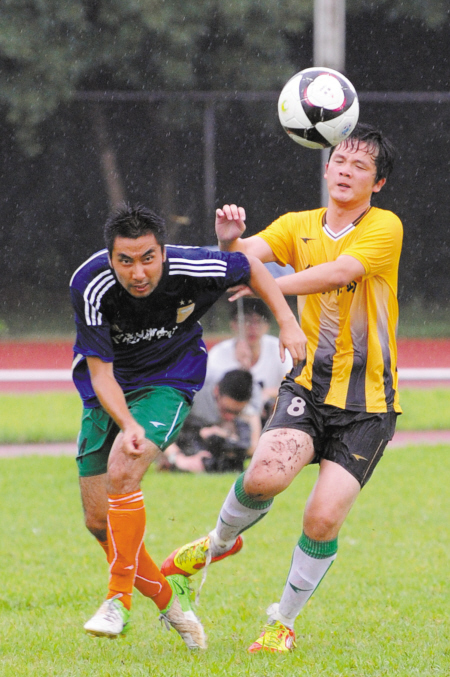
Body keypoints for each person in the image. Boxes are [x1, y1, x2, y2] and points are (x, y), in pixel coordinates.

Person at [161, 124, 403, 653]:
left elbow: (338, 272)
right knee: (264, 476)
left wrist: (264, 283)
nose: (346, 171)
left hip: (368, 405)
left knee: (322, 518)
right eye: (340, 161)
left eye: (361, 166)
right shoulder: (298, 224)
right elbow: (238, 259)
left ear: (378, 183)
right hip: (308, 387)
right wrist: (229, 240)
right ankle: (219, 543)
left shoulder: (385, 227)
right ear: (326, 167)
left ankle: (282, 623)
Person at [69, 202, 304, 648]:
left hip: (168, 380)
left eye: (148, 258)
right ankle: (171, 604)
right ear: (110, 258)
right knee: (99, 522)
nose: (138, 273)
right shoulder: (90, 283)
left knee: (123, 468)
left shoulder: (191, 266)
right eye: (125, 261)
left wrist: (288, 323)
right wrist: (125, 421)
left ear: (163, 252)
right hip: (109, 390)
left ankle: (117, 599)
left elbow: (251, 265)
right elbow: (100, 375)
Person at [206, 298, 294, 432]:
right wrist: (242, 369)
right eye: (246, 321)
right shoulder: (218, 354)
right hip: (230, 420)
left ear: (267, 326)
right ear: (233, 324)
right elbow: (215, 395)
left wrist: (266, 394)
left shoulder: (279, 351)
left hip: (273, 418)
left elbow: (294, 386)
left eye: (258, 321)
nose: (252, 328)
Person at [162, 369, 253, 473]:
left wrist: (227, 437)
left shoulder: (251, 403)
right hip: (177, 436)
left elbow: (252, 447)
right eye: (226, 410)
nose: (230, 417)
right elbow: (160, 425)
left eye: (237, 412)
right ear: (216, 391)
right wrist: (178, 458)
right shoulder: (191, 392)